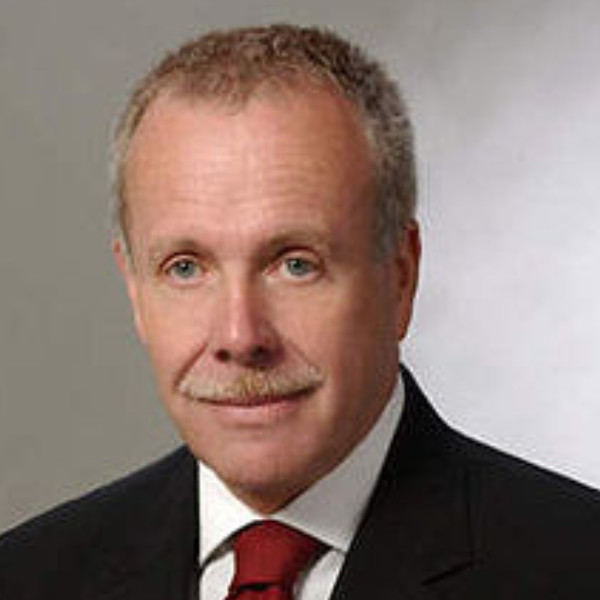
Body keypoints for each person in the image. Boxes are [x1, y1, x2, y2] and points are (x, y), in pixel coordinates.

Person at [1, 23, 600, 600]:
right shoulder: (26, 578)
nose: (240, 336)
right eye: (185, 268)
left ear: (400, 276)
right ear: (135, 289)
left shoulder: (577, 566)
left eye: (295, 264)